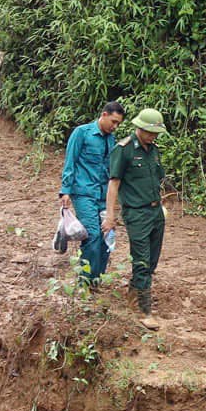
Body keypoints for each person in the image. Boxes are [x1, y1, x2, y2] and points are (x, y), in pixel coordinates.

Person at [103, 107, 168, 319]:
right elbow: (114, 184)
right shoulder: (124, 150)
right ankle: (143, 310)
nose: (152, 136)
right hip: (136, 214)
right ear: (138, 128)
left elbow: (158, 178)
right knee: (141, 260)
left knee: (152, 261)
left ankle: (133, 294)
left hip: (155, 211)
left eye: (156, 133)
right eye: (149, 132)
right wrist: (110, 216)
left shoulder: (154, 150)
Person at [60, 101, 124, 284]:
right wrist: (65, 191)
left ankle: (96, 280)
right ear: (104, 115)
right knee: (93, 235)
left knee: (107, 236)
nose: (115, 126)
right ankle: (84, 283)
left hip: (103, 195)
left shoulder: (111, 139)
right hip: (83, 193)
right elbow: (70, 161)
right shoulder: (82, 133)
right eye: (113, 121)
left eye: (118, 123)